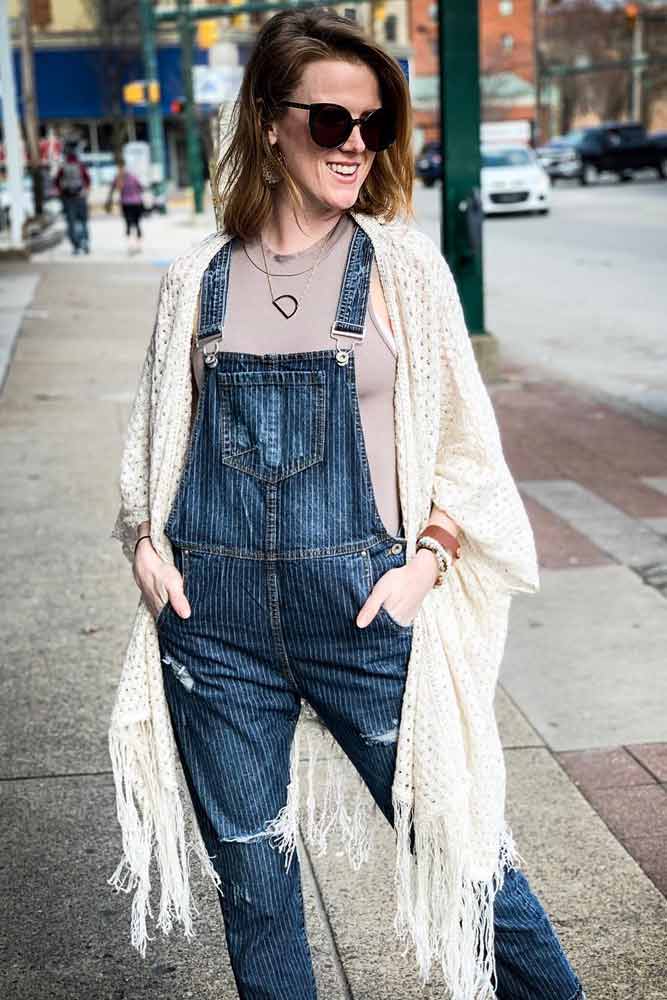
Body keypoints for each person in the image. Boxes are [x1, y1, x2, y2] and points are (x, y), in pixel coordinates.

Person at [109, 10, 588, 1000]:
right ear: (270, 122)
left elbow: (463, 448)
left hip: (366, 618)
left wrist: (425, 565)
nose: (357, 144)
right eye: (332, 121)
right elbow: (152, 453)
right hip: (214, 635)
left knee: (466, 857)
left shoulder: (401, 269)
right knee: (253, 882)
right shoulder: (192, 277)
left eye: (374, 123)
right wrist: (145, 552)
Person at [54, 139, 90, 254]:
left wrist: (60, 192)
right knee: (83, 221)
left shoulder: (63, 166)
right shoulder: (80, 165)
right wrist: (85, 191)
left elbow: (56, 181)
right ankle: (85, 242)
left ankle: (75, 245)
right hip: (80, 196)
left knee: (71, 222)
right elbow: (87, 180)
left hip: (67, 197)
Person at [106, 158, 145, 255]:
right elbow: (141, 188)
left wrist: (109, 201)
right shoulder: (132, 176)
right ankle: (138, 246)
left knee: (128, 224)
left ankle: (130, 246)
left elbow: (112, 190)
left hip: (126, 204)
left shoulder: (118, 178)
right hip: (137, 203)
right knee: (137, 224)